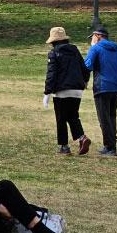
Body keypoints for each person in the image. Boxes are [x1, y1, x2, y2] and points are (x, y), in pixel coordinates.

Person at [84, 27, 117, 157]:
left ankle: (110, 147)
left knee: (104, 118)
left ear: (97, 36)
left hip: (102, 87)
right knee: (111, 116)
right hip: (116, 88)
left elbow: (87, 65)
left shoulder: (96, 48)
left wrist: (92, 47)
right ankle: (110, 145)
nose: (92, 40)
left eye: (93, 37)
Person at [44, 27, 90, 156]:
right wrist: (85, 81)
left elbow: (51, 74)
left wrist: (47, 92)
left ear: (53, 41)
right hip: (77, 90)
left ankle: (64, 146)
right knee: (73, 116)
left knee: (61, 118)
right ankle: (82, 138)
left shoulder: (53, 53)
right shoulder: (75, 50)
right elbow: (85, 69)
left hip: (61, 91)